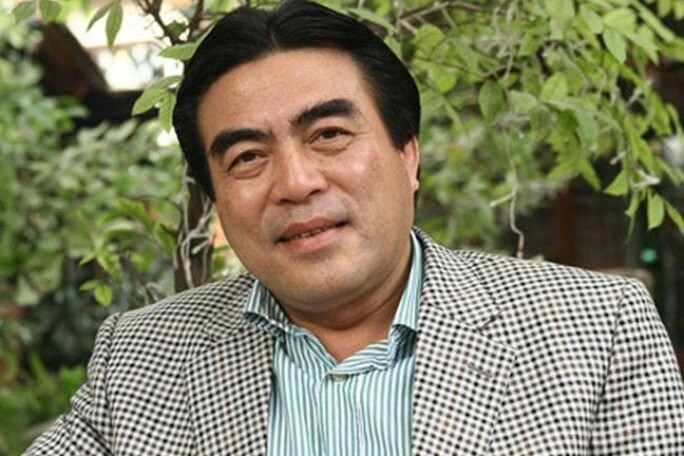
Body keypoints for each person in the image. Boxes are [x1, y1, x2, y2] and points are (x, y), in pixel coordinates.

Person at [26, 1, 684, 454]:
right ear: (216, 199)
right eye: (247, 157)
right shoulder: (142, 357)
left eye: (330, 135)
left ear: (408, 155)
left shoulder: (595, 331)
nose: (295, 182)